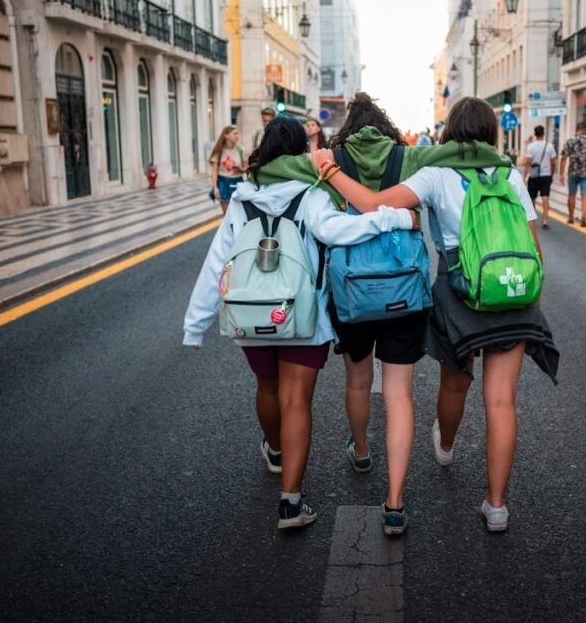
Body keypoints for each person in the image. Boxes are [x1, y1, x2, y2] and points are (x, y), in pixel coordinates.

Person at [309, 97, 559, 533]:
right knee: (501, 401)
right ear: (491, 134)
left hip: (461, 295)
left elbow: (372, 204)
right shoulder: (509, 175)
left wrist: (329, 170)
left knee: (455, 383)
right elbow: (534, 248)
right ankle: (496, 506)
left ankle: (444, 445)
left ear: (449, 133)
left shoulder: (436, 173)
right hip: (514, 294)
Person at [183, 116, 418, 531]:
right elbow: (344, 231)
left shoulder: (240, 199)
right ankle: (290, 504)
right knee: (297, 400)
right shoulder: (312, 196)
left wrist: (195, 325)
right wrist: (397, 219)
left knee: (267, 388)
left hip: (249, 314)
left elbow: (217, 262)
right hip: (303, 317)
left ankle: (274, 451)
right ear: (299, 155)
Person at [324, 93, 432, 536]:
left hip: (352, 290)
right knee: (399, 394)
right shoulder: (407, 158)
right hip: (403, 289)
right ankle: (394, 501)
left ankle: (363, 449)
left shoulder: (330, 161)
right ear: (386, 127)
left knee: (357, 380)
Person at [559, 122, 586, 226]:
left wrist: (561, 173)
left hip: (572, 172)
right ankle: (583, 215)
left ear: (576, 129)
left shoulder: (570, 141)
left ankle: (571, 217)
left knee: (571, 195)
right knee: (585, 195)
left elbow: (564, 158)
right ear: (585, 129)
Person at [524, 125, 557, 229]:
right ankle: (545, 220)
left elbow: (528, 163)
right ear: (543, 134)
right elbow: (553, 162)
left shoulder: (531, 146)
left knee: (532, 197)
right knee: (545, 197)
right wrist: (551, 174)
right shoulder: (550, 146)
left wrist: (525, 175)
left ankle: (532, 219)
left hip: (534, 175)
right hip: (546, 175)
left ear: (535, 134)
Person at [208, 125, 246, 215]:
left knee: (239, 214)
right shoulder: (219, 151)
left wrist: (240, 169)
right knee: (227, 215)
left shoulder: (240, 150)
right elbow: (214, 172)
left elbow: (246, 169)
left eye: (238, 134)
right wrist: (215, 188)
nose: (237, 136)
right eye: (234, 133)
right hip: (224, 182)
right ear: (226, 135)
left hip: (238, 182)